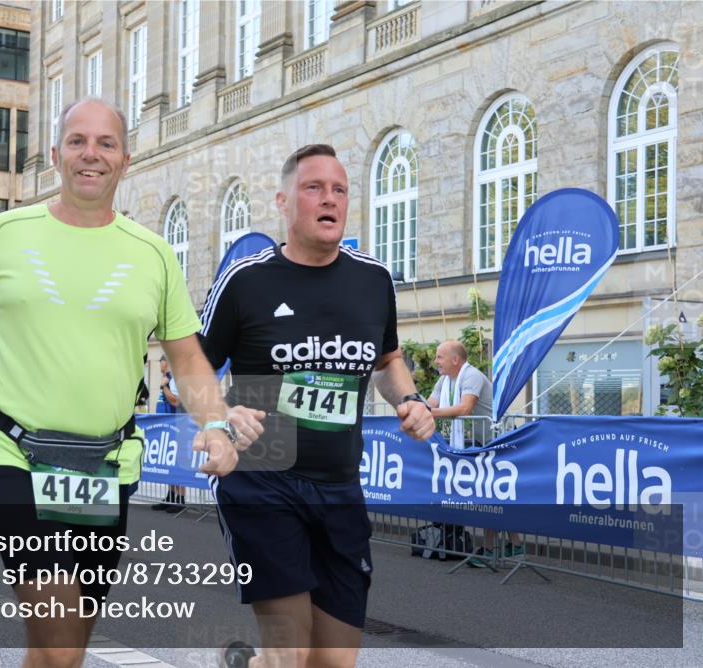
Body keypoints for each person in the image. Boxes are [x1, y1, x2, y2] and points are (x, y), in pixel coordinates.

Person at [0, 97, 264, 668]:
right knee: (59, 637)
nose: (92, 154)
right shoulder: (6, 231)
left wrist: (211, 422)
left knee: (65, 642)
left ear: (125, 160)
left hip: (105, 466)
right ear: (56, 155)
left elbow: (186, 357)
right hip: (15, 454)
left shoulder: (154, 254)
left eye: (106, 143)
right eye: (79, 142)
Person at [199, 144, 435, 668]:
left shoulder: (372, 280)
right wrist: (219, 416)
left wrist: (412, 399)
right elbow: (190, 369)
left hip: (338, 485)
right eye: (314, 188)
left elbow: (389, 361)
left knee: (333, 662)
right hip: (262, 477)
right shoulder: (247, 280)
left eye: (339, 190)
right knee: (291, 653)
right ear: (283, 202)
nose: (329, 199)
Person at [427, 340, 522, 565]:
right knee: (491, 495)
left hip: (503, 440)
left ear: (455, 360)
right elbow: (429, 403)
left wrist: (429, 414)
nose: (435, 361)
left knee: (492, 495)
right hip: (485, 441)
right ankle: (512, 546)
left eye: (440, 357)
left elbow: (464, 408)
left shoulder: (472, 376)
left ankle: (494, 549)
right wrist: (414, 407)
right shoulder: (445, 380)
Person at [152, 354, 188, 513]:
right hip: (167, 428)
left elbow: (177, 401)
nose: (160, 365)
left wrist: (164, 387)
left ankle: (180, 499)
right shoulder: (166, 378)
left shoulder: (173, 379)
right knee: (169, 463)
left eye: (161, 362)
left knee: (178, 463)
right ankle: (171, 496)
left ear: (167, 363)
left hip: (177, 427)